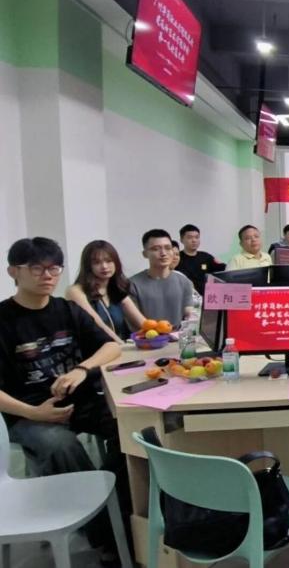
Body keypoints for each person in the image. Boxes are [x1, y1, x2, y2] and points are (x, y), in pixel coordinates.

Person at [0, 237, 127, 563]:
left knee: (130, 430)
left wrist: (82, 370)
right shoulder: (3, 320)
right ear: (14, 271)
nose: (48, 275)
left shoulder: (66, 310)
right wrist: (33, 412)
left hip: (81, 402)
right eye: (37, 268)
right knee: (61, 446)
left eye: (54, 268)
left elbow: (112, 346)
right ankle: (107, 537)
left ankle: (119, 507)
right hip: (29, 413)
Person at [66, 241, 146, 343]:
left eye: (109, 261)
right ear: (88, 266)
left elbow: (143, 323)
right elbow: (99, 325)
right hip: (96, 349)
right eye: (97, 262)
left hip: (120, 347)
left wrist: (161, 334)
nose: (104, 266)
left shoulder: (116, 288)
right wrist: (121, 345)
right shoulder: (76, 291)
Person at [130, 229, 195, 327]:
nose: (163, 253)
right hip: (146, 335)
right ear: (145, 254)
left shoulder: (184, 281)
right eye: (156, 249)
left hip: (177, 335)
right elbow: (133, 321)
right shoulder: (133, 284)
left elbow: (189, 312)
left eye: (168, 248)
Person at [177, 224, 225, 296]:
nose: (194, 240)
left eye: (197, 237)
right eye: (190, 237)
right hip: (184, 297)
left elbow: (223, 271)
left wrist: (222, 265)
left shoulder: (206, 257)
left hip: (205, 297)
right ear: (181, 240)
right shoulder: (177, 258)